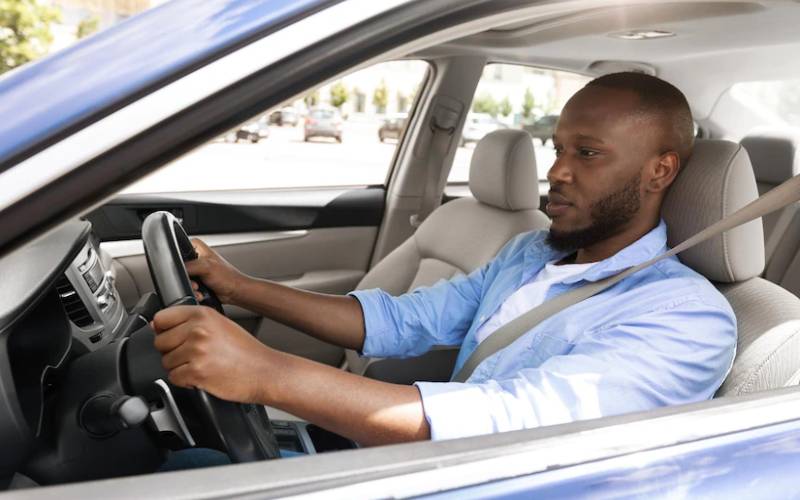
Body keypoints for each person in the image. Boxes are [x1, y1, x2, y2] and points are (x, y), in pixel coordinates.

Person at [151, 72, 736, 446]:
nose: (557, 171)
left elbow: (508, 424)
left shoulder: (686, 317)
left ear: (660, 170)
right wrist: (237, 286)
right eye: (557, 149)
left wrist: (267, 374)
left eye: (588, 154)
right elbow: (399, 322)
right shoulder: (529, 252)